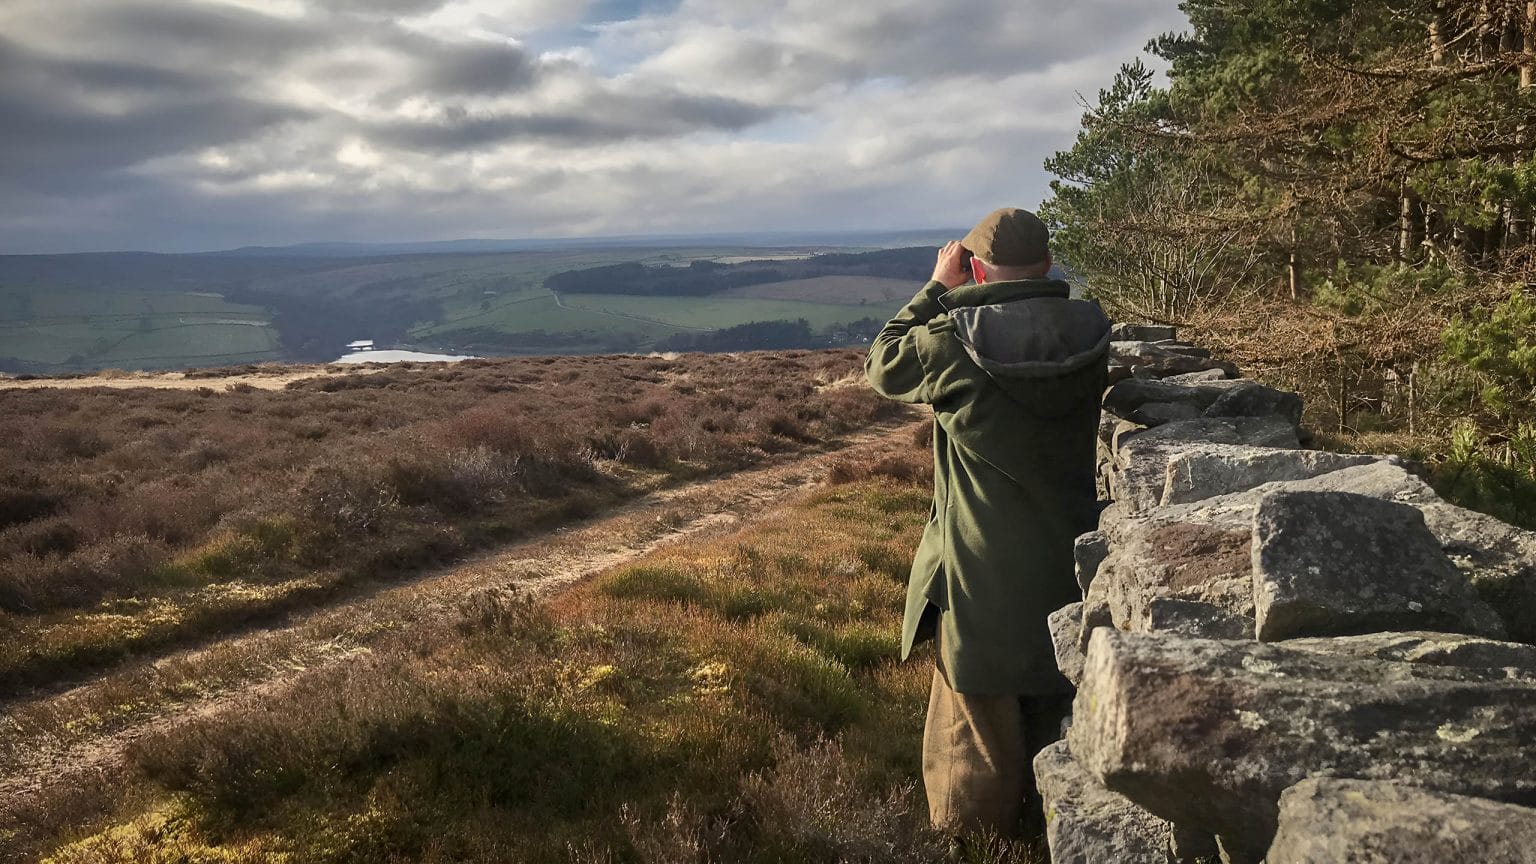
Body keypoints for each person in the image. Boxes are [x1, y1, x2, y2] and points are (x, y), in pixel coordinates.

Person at [863, 207, 1111, 842]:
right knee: (1054, 710)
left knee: (973, 747)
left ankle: (978, 848)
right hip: (1068, 565)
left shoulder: (950, 340)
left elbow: (883, 364)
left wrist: (936, 287)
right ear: (1049, 265)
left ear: (973, 265)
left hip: (978, 578)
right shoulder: (1090, 331)